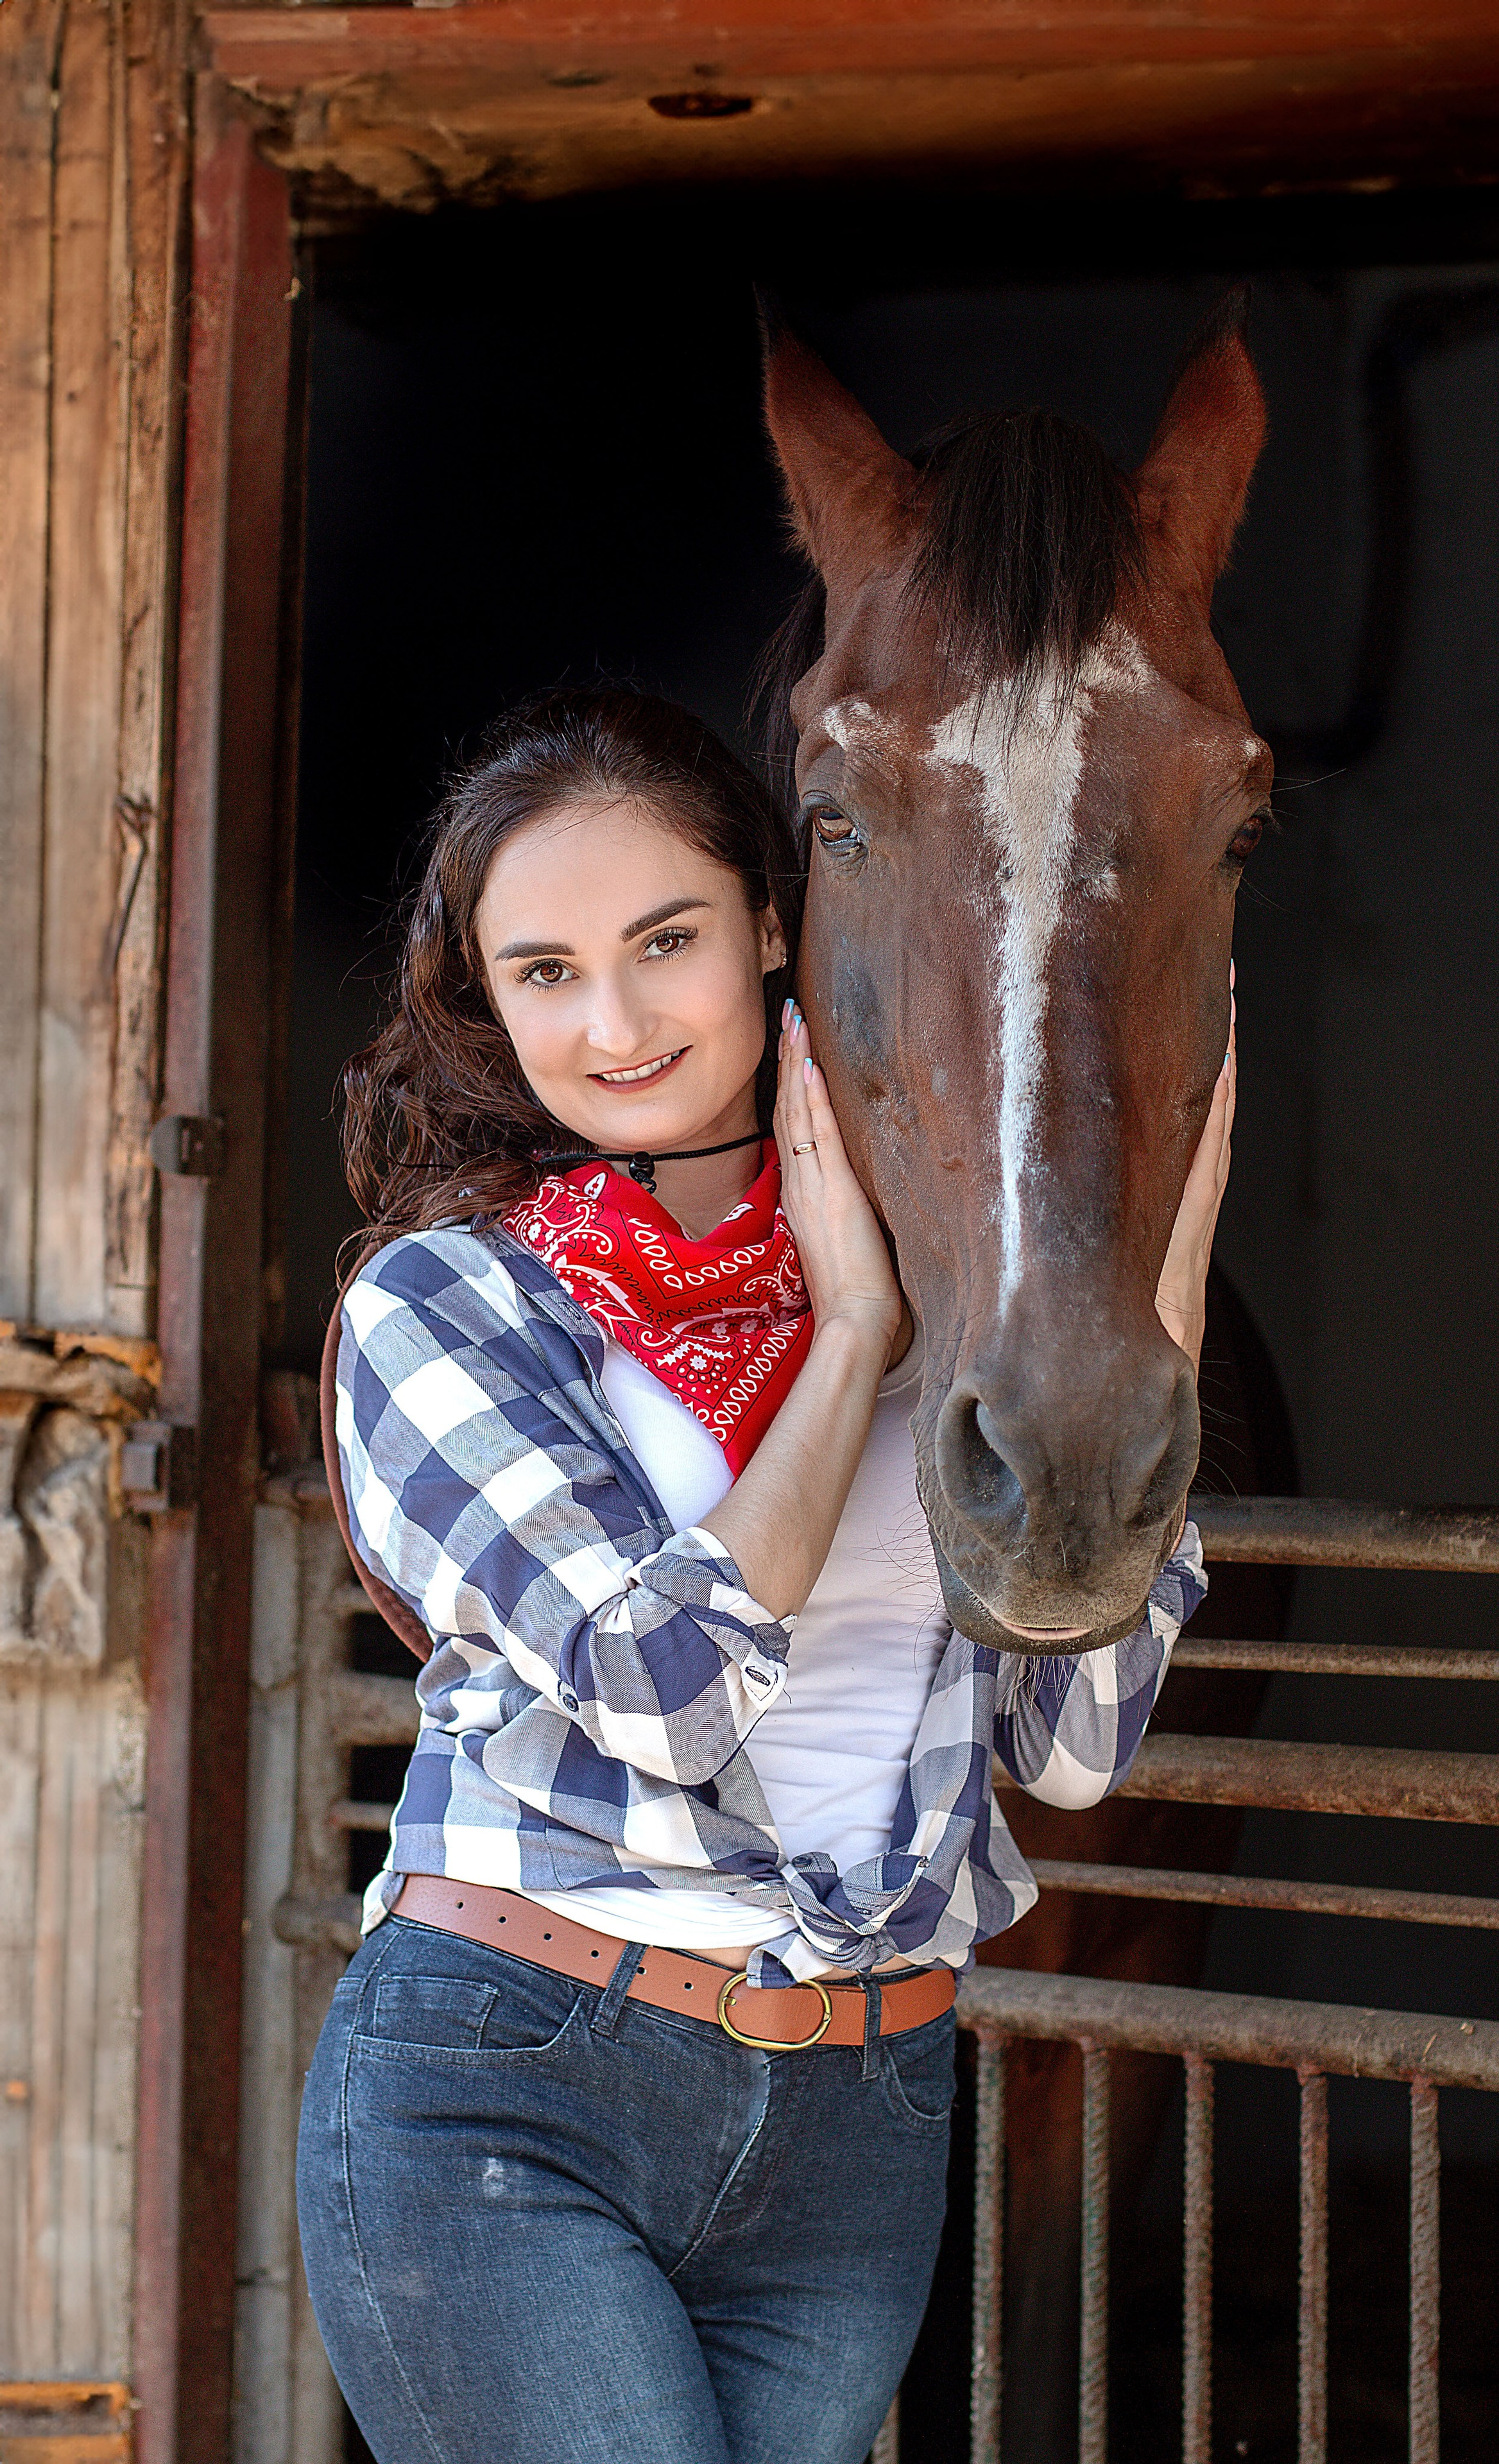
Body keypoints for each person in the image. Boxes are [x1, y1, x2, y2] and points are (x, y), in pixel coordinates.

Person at [295, 686, 1231, 2464]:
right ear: (487, 1005)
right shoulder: (446, 1308)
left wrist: (1153, 1303)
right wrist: (846, 1333)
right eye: (548, 972)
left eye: (669, 942)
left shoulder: (969, 1321)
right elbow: (664, 1685)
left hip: (858, 2113)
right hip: (518, 2083)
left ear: (776, 928)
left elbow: (1077, 1750)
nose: (622, 1021)